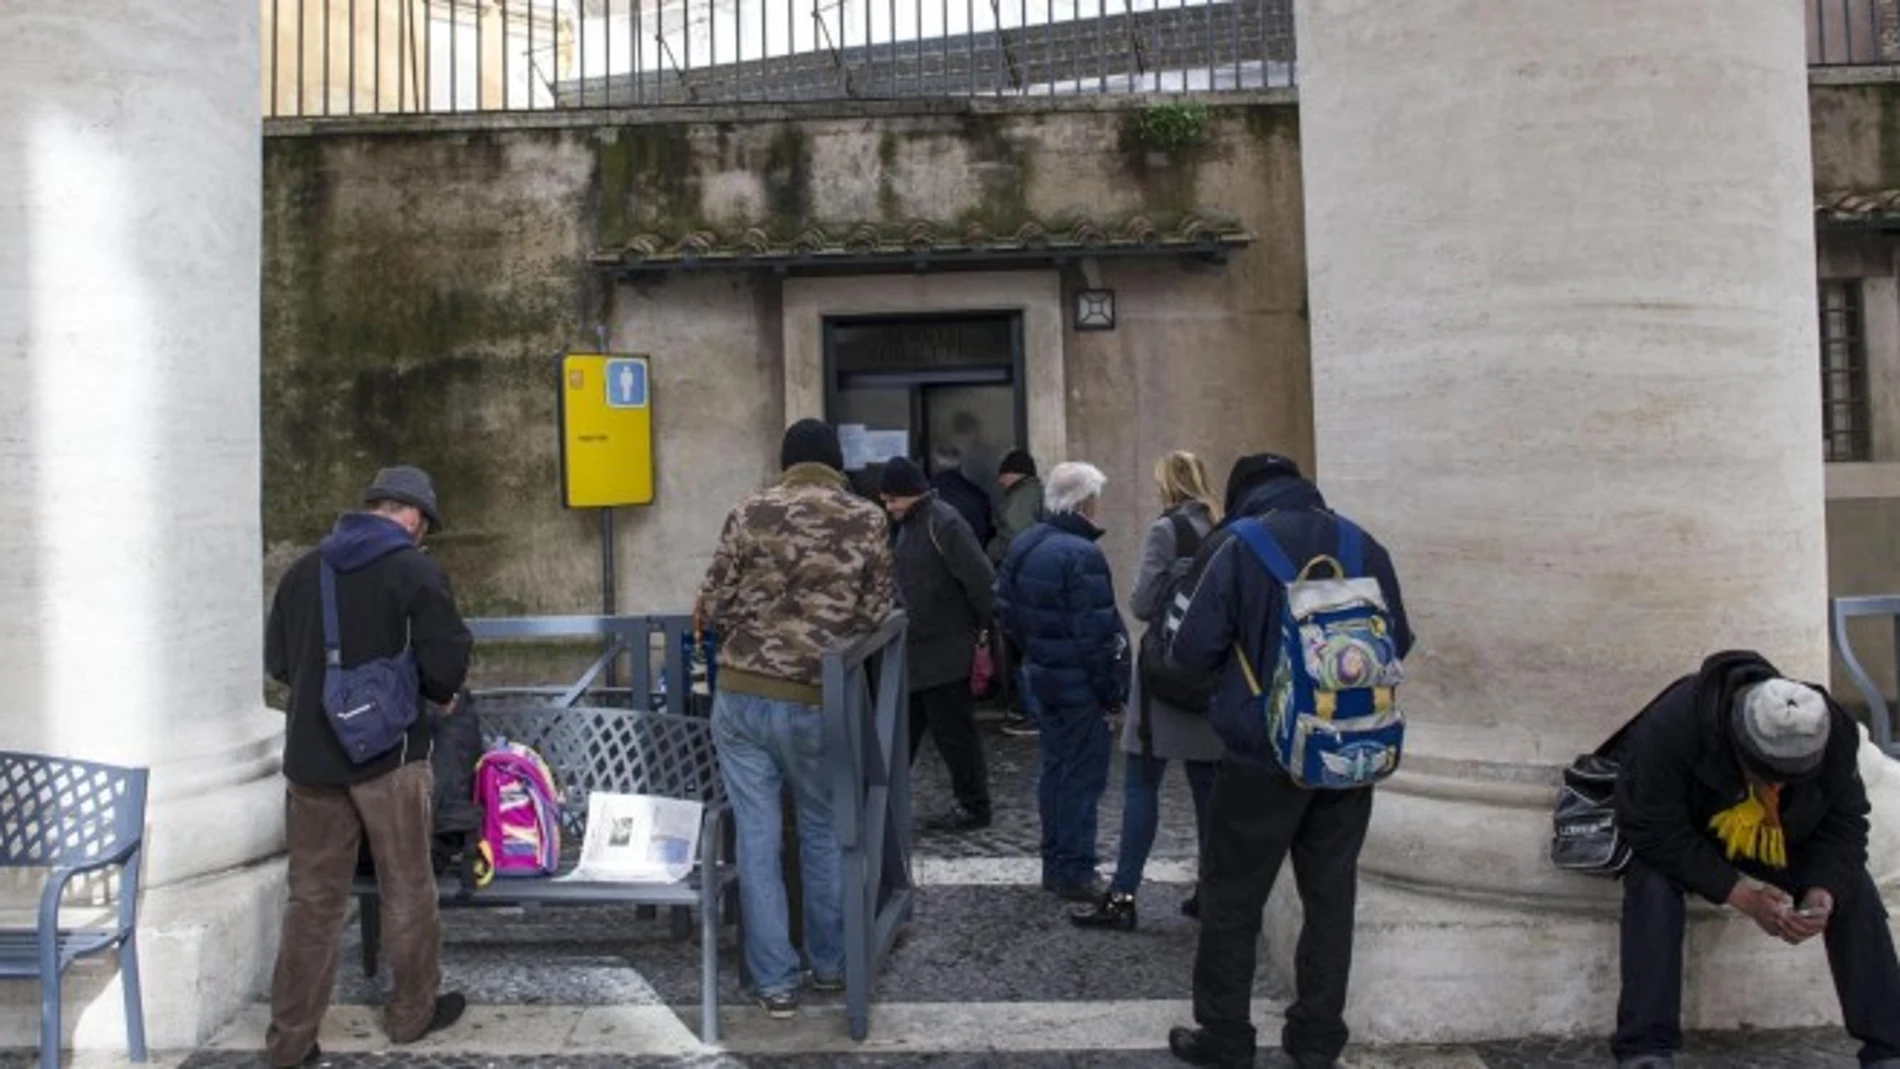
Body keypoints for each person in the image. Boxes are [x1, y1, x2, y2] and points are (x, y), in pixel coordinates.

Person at [1164, 454, 1412, 1069]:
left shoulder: (1239, 545)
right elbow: (1397, 640)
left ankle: (1225, 1035)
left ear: (1244, 494)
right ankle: (1318, 1036)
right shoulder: (1363, 544)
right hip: (1348, 752)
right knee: (1331, 897)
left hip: (1260, 755)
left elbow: (1189, 651)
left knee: (1232, 898)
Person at [264, 466, 474, 1069]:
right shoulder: (415, 570)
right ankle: (411, 1014)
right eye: (425, 527)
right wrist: (434, 691)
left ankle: (291, 1042)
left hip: (311, 759)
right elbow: (446, 666)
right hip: (391, 759)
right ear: (413, 517)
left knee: (312, 902)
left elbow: (279, 661)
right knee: (407, 887)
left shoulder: (304, 572)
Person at [695, 419, 897, 1019]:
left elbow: (713, 601)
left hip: (741, 695)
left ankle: (776, 982)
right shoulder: (865, 518)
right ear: (835, 463)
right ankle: (832, 966)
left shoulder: (747, 511)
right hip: (817, 696)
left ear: (786, 463)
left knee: (756, 839)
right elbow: (877, 610)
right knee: (822, 829)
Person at [1610, 651, 1900, 1069]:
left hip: (1780, 836)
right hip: (1693, 831)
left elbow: (1846, 825)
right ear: (1738, 742)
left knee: (1852, 883)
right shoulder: (1676, 724)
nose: (1776, 784)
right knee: (1651, 882)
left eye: (1789, 777)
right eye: (1766, 774)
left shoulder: (1832, 732)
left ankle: (1889, 1048)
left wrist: (1822, 892)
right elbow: (1651, 828)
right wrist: (1742, 896)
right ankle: (1645, 1049)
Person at [1072, 451, 1224, 931]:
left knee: (1141, 785)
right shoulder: (1223, 530)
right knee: (1207, 789)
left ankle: (1122, 896)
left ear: (1167, 485)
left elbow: (1140, 603)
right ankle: (1212, 889)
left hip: (1164, 679)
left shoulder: (1167, 530)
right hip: (1207, 675)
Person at [993, 461, 1128, 902]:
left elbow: (1006, 612)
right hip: (1078, 686)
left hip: (1041, 675)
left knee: (1054, 769)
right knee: (1082, 778)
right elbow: (1098, 638)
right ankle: (1074, 868)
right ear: (1086, 502)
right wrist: (1112, 695)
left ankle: (1055, 861)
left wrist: (1036, 653)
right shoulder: (1081, 555)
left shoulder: (1027, 543)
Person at [880, 455, 998, 832]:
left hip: (944, 649)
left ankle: (974, 805)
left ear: (907, 495)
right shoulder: (916, 524)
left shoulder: (942, 522)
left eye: (890, 499)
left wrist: (981, 627)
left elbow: (980, 579)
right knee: (909, 732)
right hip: (920, 650)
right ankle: (885, 801)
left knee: (953, 733)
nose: (887, 507)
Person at [988, 448, 1045, 738]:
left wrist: (988, 556)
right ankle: (1027, 706)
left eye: (1003, 473)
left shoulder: (1023, 498)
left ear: (1015, 473)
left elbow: (1014, 537)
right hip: (1031, 579)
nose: (999, 480)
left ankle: (1033, 713)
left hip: (1021, 580)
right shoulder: (1033, 494)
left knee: (1023, 648)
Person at [929, 443, 996, 550]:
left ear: (935, 464)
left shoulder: (923, 496)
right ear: (960, 465)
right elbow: (987, 534)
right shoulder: (978, 496)